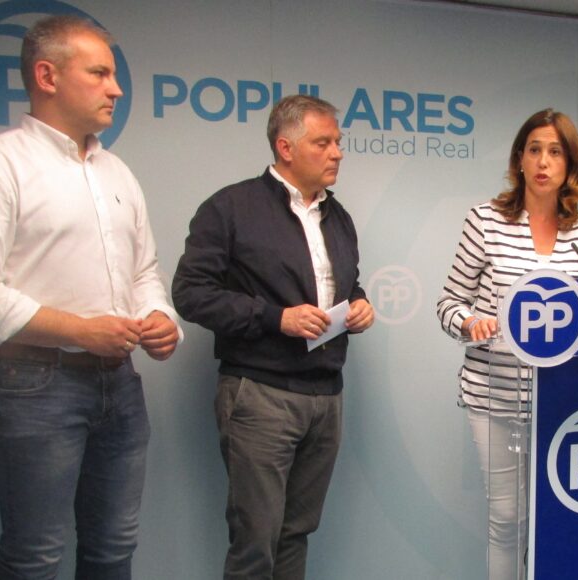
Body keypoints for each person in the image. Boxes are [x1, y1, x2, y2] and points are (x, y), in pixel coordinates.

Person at [0, 15, 181, 579]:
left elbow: (143, 271)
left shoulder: (116, 172)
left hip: (120, 386)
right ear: (47, 76)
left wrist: (159, 316)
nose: (116, 89)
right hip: (32, 385)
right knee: (35, 558)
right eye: (99, 74)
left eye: (113, 75)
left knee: (114, 549)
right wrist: (78, 330)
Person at [172, 94, 374, 580]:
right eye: (323, 143)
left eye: (338, 142)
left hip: (326, 395)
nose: (337, 152)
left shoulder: (338, 216)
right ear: (286, 147)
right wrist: (274, 318)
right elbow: (190, 294)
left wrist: (360, 303)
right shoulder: (231, 207)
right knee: (256, 540)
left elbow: (345, 284)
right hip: (260, 394)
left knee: (295, 533)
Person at [436, 109, 578, 580]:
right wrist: (470, 322)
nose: (544, 162)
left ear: (570, 164)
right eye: (534, 150)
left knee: (555, 517)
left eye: (555, 152)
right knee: (507, 519)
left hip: (560, 400)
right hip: (494, 397)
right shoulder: (485, 220)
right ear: (519, 160)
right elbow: (448, 302)